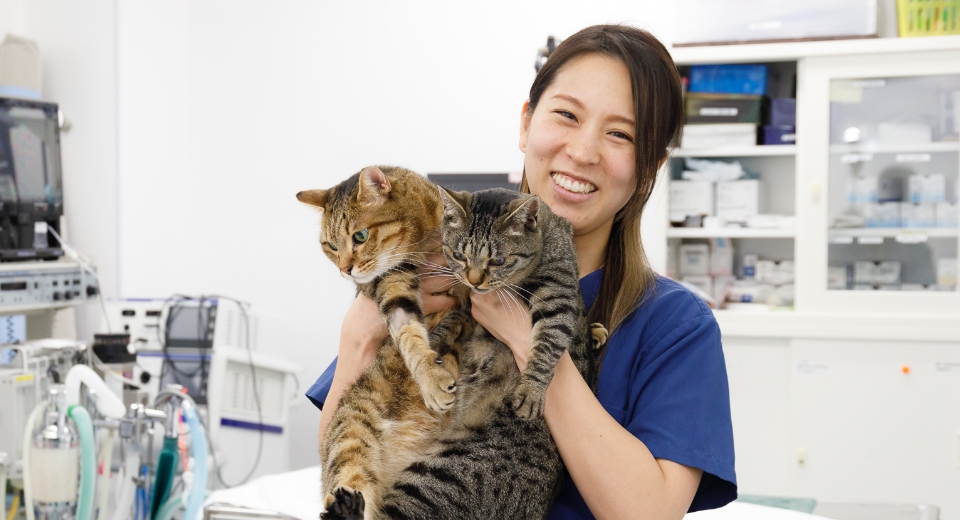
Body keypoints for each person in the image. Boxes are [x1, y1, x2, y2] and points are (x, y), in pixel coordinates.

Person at [306, 24, 736, 520]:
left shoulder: (672, 324)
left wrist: (528, 341)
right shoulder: (430, 273)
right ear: (526, 123)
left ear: (650, 167)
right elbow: (344, 470)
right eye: (566, 115)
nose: (583, 151)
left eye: (620, 134)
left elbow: (649, 513)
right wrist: (356, 341)